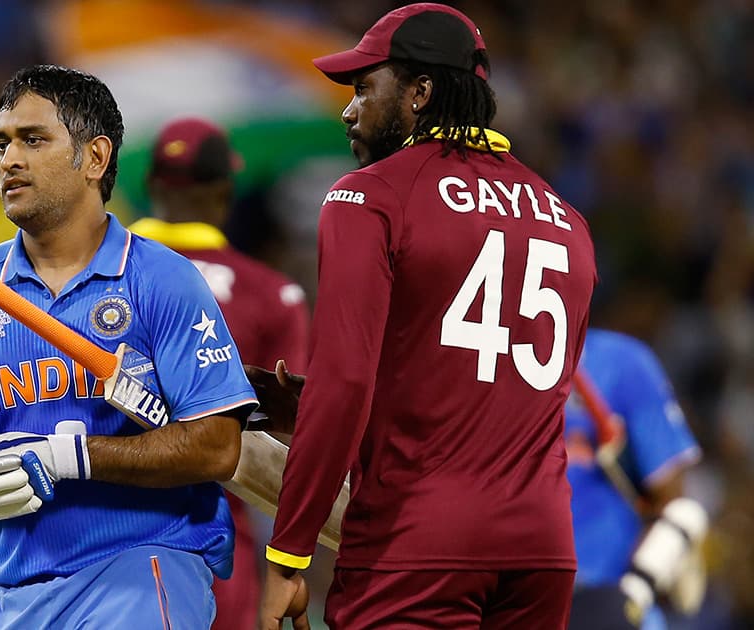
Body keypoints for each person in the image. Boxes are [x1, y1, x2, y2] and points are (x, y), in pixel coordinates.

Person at [0, 64, 259, 629]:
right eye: (2, 143)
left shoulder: (162, 278)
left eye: (32, 140)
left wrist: (64, 456)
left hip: (140, 570)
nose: (8, 159)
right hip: (9, 592)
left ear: (95, 158)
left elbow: (218, 448)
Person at [249, 4, 598, 629]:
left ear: (420, 92)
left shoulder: (370, 195)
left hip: (420, 541)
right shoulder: (568, 220)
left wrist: (287, 556)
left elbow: (345, 383)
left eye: (363, 88)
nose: (348, 111)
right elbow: (496, 390)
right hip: (543, 549)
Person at [129, 115, 311, 630]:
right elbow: (291, 444)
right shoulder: (272, 296)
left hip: (82, 535)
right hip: (211, 543)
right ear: (226, 191)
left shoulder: (81, 276)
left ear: (149, 187)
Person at [565, 328, 706, 630]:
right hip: (515, 596)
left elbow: (672, 499)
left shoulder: (621, 362)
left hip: (608, 593)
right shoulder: (483, 358)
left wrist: (635, 591)